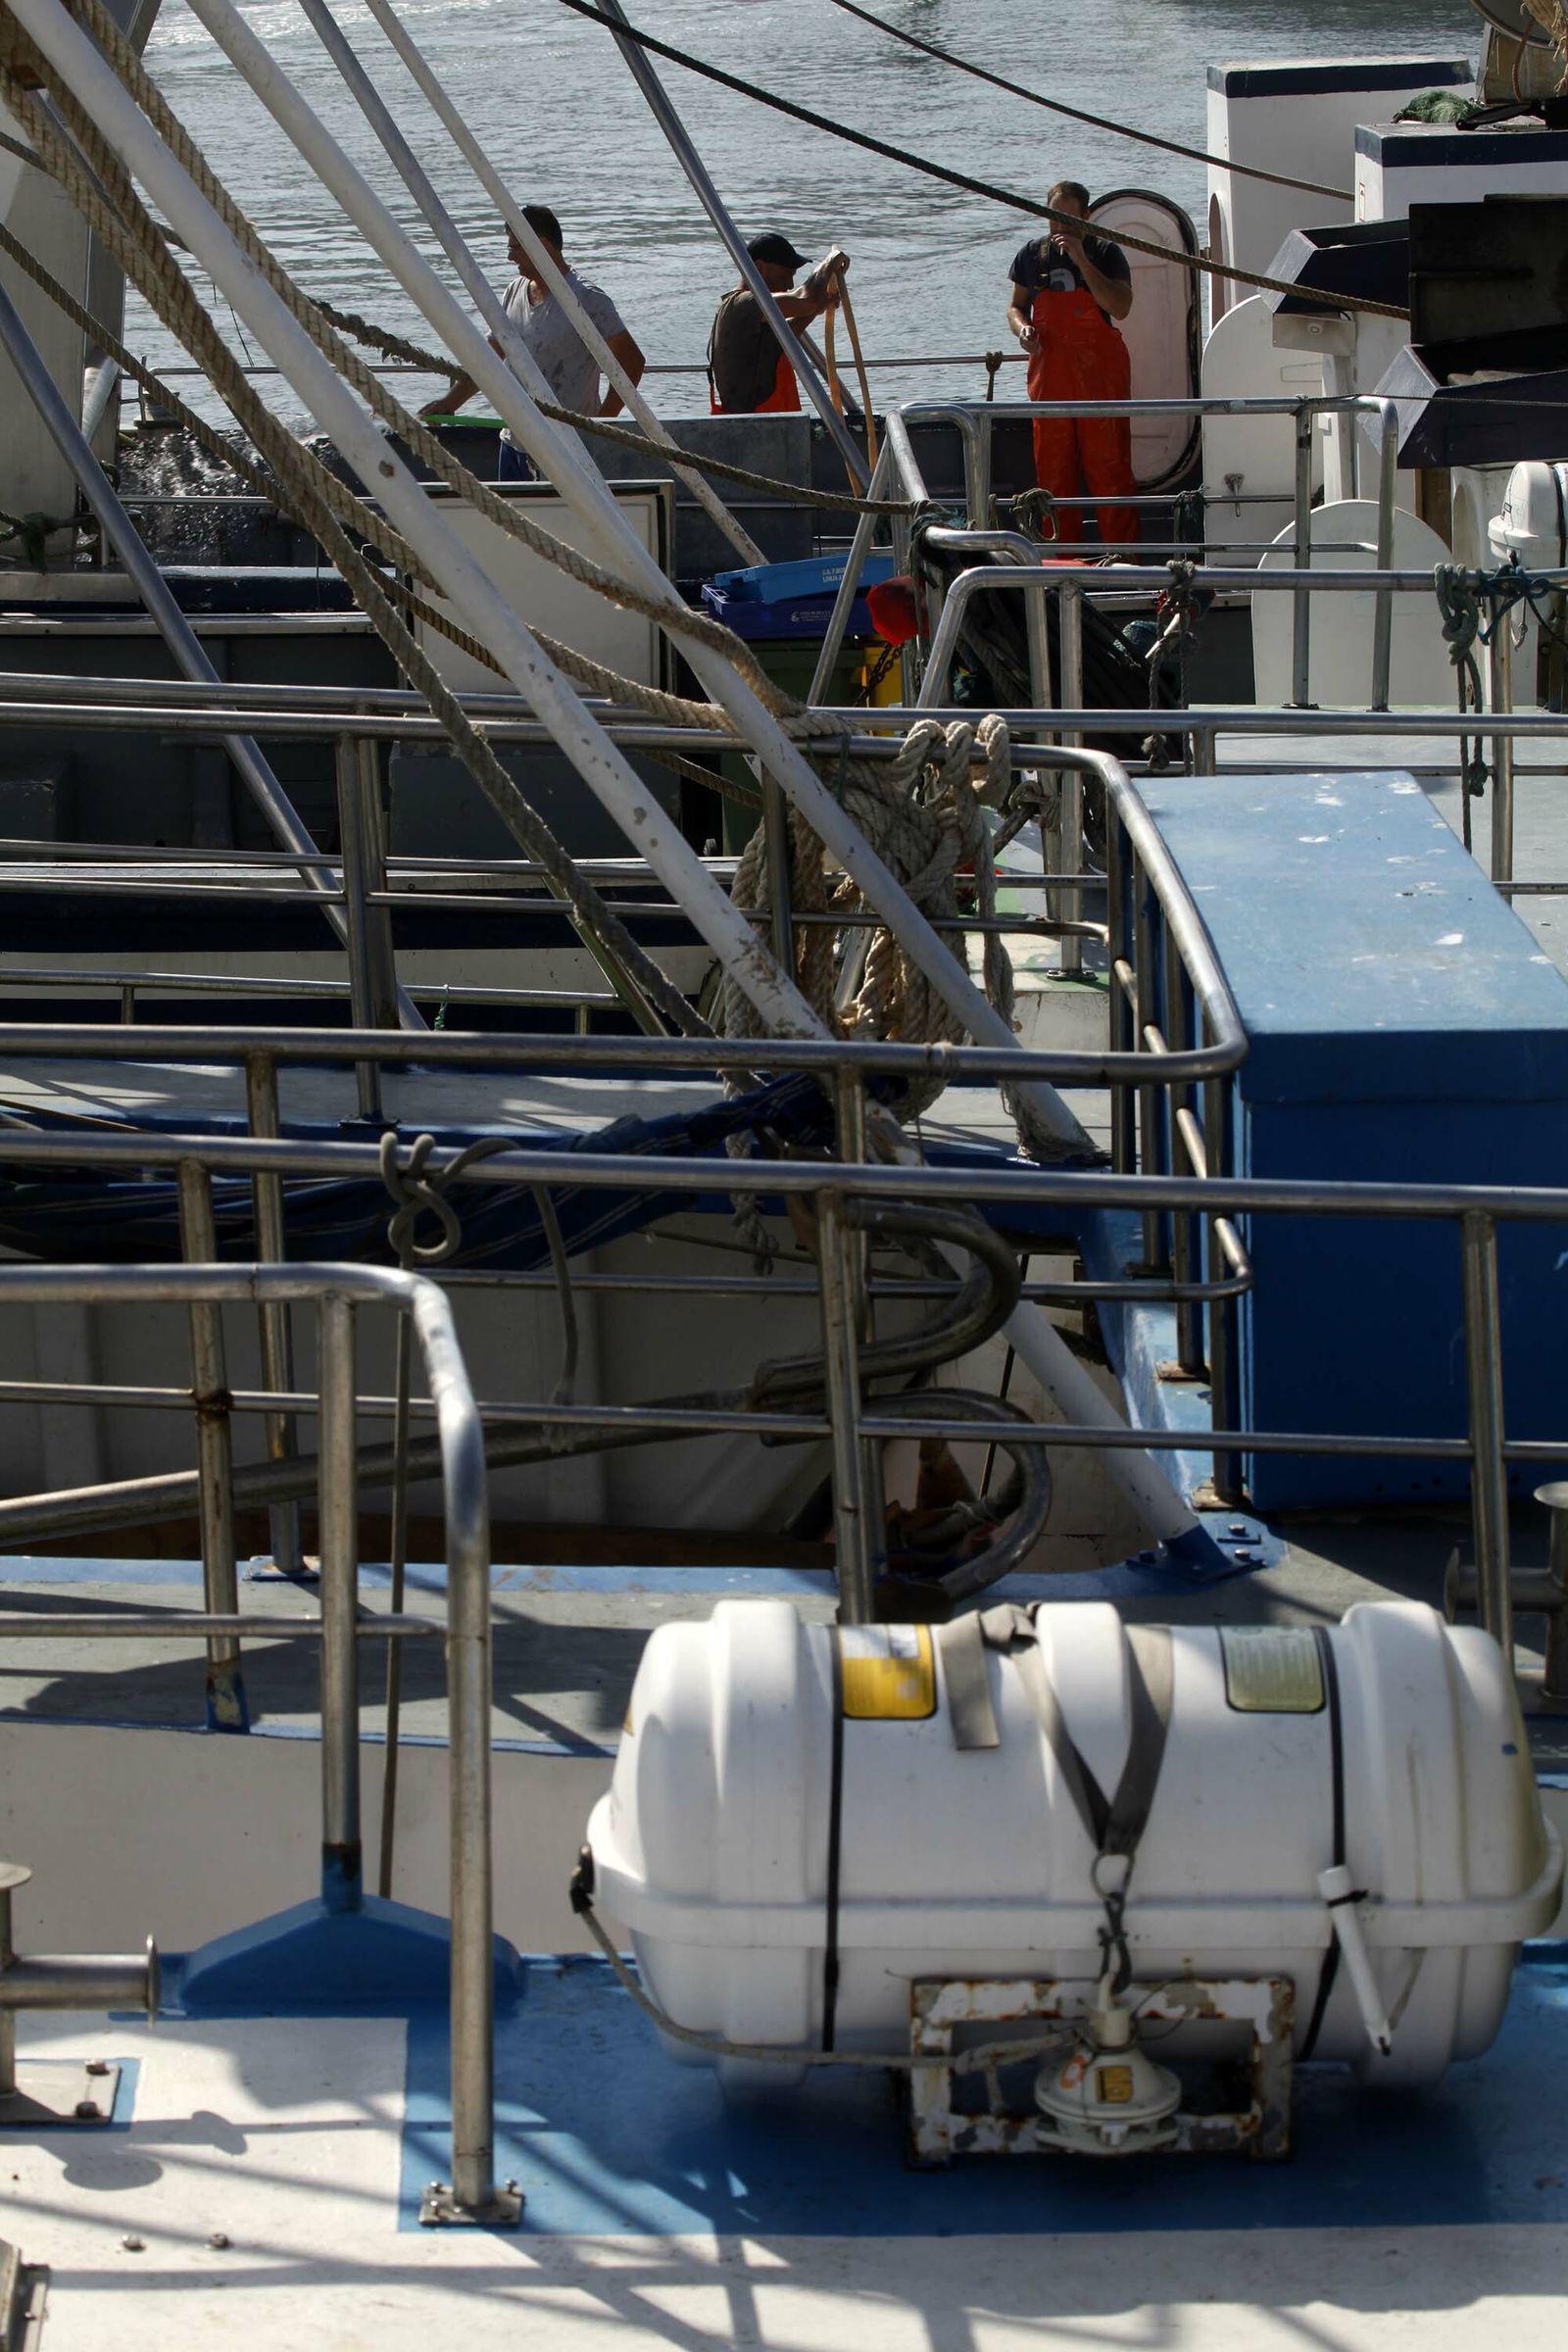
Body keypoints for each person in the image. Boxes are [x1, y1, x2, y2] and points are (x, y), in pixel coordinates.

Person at [419, 204, 645, 480]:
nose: (509, 256)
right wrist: (450, 403)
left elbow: (632, 362)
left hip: (566, 448)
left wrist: (602, 422)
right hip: (513, 443)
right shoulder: (513, 291)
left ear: (542, 245)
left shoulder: (587, 299)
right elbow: (491, 356)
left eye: (515, 247)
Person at [1005, 182, 1140, 550]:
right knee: (1053, 478)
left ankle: (1123, 561)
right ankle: (1061, 562)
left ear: (1086, 216)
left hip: (1101, 385)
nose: (1060, 226)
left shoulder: (1106, 253)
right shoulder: (1031, 255)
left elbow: (1120, 307)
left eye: (1068, 218)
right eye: (1053, 217)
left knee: (1111, 473)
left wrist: (1082, 260)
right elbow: (1015, 307)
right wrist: (1023, 329)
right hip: (1052, 383)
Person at [708, 232, 847, 415]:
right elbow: (806, 299)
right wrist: (828, 264)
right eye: (785, 276)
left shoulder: (757, 313)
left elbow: (785, 337)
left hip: (776, 420)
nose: (789, 284)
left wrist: (821, 303)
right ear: (759, 267)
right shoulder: (742, 304)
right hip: (754, 423)